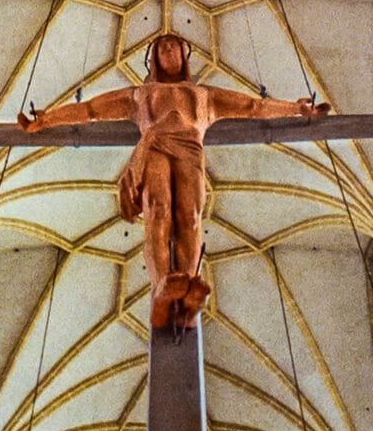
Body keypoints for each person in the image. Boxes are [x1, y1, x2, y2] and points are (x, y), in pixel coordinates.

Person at [19, 34, 328, 329]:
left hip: (191, 148)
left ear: (184, 56)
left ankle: (188, 287)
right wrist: (45, 119)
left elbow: (254, 107)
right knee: (156, 210)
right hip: (153, 145)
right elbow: (90, 110)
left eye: (174, 47)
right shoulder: (139, 95)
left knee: (190, 217)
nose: (168, 51)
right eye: (162, 48)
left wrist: (296, 109)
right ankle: (161, 287)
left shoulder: (206, 96)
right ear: (153, 58)